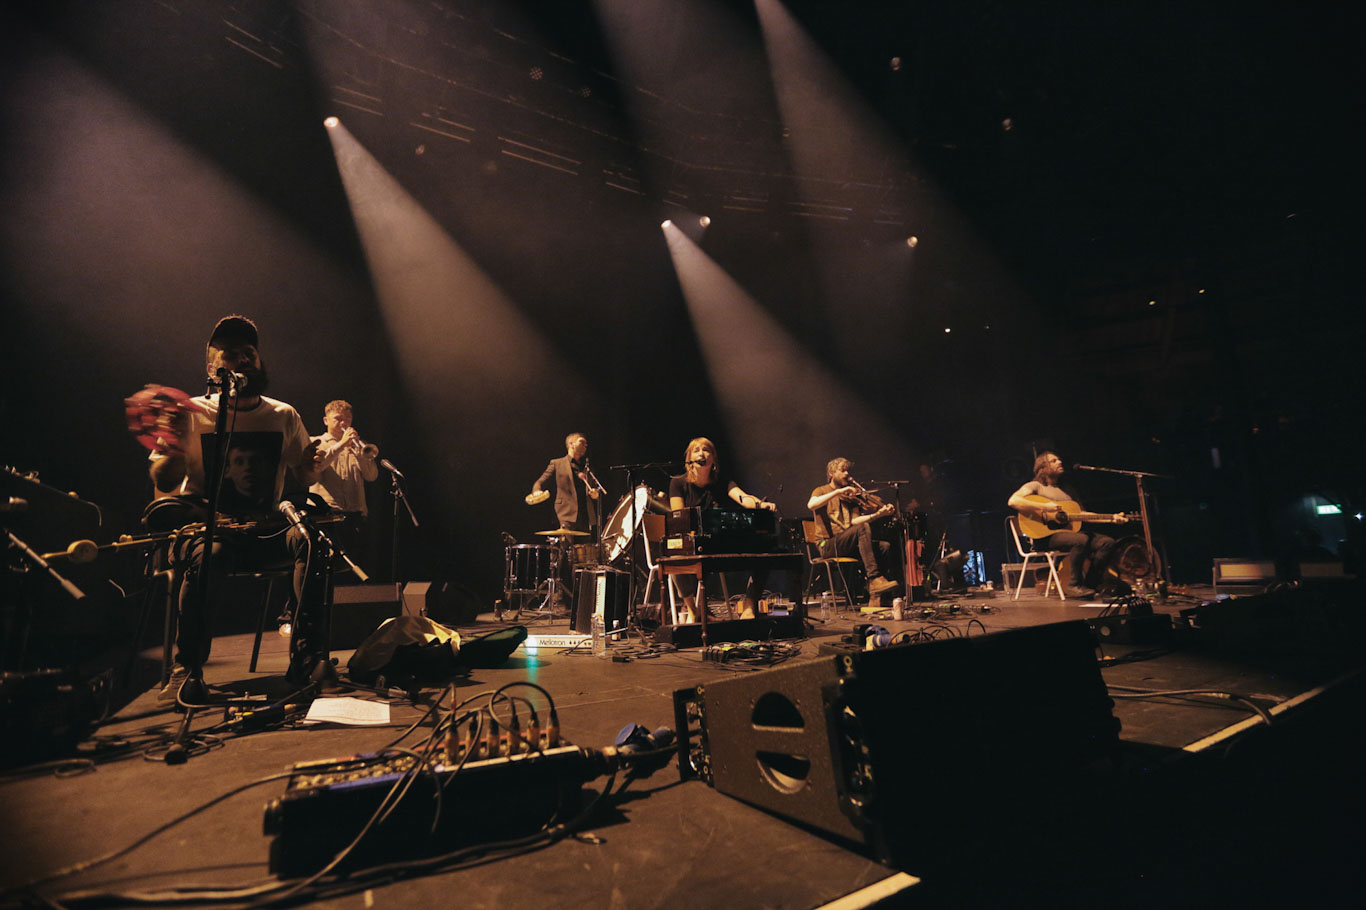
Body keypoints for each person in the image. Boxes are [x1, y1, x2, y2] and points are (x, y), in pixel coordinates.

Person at [143, 315, 325, 702]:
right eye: (231, 355)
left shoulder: (283, 415)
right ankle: (187, 669)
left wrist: (315, 464)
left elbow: (305, 474)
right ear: (212, 369)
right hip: (209, 532)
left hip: (264, 529)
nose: (243, 360)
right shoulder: (190, 412)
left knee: (310, 543)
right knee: (211, 555)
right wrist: (173, 440)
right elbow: (163, 480)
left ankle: (307, 659)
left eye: (250, 353)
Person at [667, 437, 777, 621]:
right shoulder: (678, 483)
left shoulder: (722, 481)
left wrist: (760, 505)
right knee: (675, 557)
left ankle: (749, 607)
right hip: (692, 542)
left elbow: (743, 498)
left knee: (764, 553)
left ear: (713, 459)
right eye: (696, 450)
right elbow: (679, 517)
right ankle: (694, 610)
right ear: (690, 459)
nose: (701, 453)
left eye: (706, 450)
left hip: (718, 541)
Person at [1007, 451, 1120, 599]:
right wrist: (1045, 507)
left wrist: (1111, 518)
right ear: (1043, 467)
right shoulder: (1035, 486)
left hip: (1067, 535)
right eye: (1053, 461)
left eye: (1059, 460)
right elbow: (1013, 501)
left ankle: (1091, 583)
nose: (1059, 462)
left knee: (1107, 543)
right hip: (1044, 537)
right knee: (1080, 540)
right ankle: (1073, 584)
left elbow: (1082, 515)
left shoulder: (1067, 491)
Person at [807, 457, 899, 600]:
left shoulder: (849, 497)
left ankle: (878, 594)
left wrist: (878, 514)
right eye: (842, 471)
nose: (847, 474)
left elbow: (855, 521)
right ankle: (874, 579)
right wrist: (837, 492)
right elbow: (811, 505)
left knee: (884, 546)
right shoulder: (821, 490)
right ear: (831, 472)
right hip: (826, 544)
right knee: (862, 529)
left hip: (845, 543)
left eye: (848, 471)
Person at [310, 400, 379, 516]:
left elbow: (371, 476)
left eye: (348, 418)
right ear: (326, 421)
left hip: (356, 513)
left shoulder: (360, 445)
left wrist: (360, 456)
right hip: (324, 513)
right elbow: (317, 467)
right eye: (338, 418)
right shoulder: (314, 442)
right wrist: (342, 444)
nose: (344, 423)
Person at [529, 432, 602, 534]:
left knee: (585, 549)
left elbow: (594, 490)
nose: (585, 446)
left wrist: (595, 495)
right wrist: (536, 491)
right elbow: (540, 482)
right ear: (571, 444)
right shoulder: (557, 464)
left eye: (586, 444)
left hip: (585, 516)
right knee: (565, 548)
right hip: (564, 515)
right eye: (581, 442)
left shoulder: (587, 468)